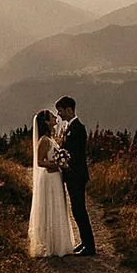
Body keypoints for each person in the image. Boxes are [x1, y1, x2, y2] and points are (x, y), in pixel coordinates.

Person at [28, 109, 76, 258]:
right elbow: (39, 162)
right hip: (49, 178)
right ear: (47, 122)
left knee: (57, 206)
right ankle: (49, 245)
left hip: (55, 177)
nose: (56, 118)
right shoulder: (44, 140)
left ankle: (58, 243)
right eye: (52, 117)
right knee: (50, 206)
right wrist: (56, 164)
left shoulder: (51, 139)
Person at [55, 95, 96, 256]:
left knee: (80, 210)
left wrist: (65, 163)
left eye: (61, 111)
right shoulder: (70, 128)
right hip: (73, 176)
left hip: (77, 176)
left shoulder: (78, 128)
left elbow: (76, 155)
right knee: (77, 210)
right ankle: (84, 242)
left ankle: (89, 246)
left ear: (69, 109)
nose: (59, 115)